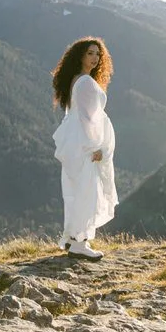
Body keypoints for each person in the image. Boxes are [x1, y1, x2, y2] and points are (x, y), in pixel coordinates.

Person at [51, 36, 119, 261]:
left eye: (98, 54)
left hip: (76, 144)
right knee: (86, 192)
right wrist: (98, 146)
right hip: (85, 146)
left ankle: (73, 239)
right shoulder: (86, 83)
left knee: (77, 190)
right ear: (80, 55)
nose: (95, 58)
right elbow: (91, 119)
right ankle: (80, 242)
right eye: (90, 53)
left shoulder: (77, 80)